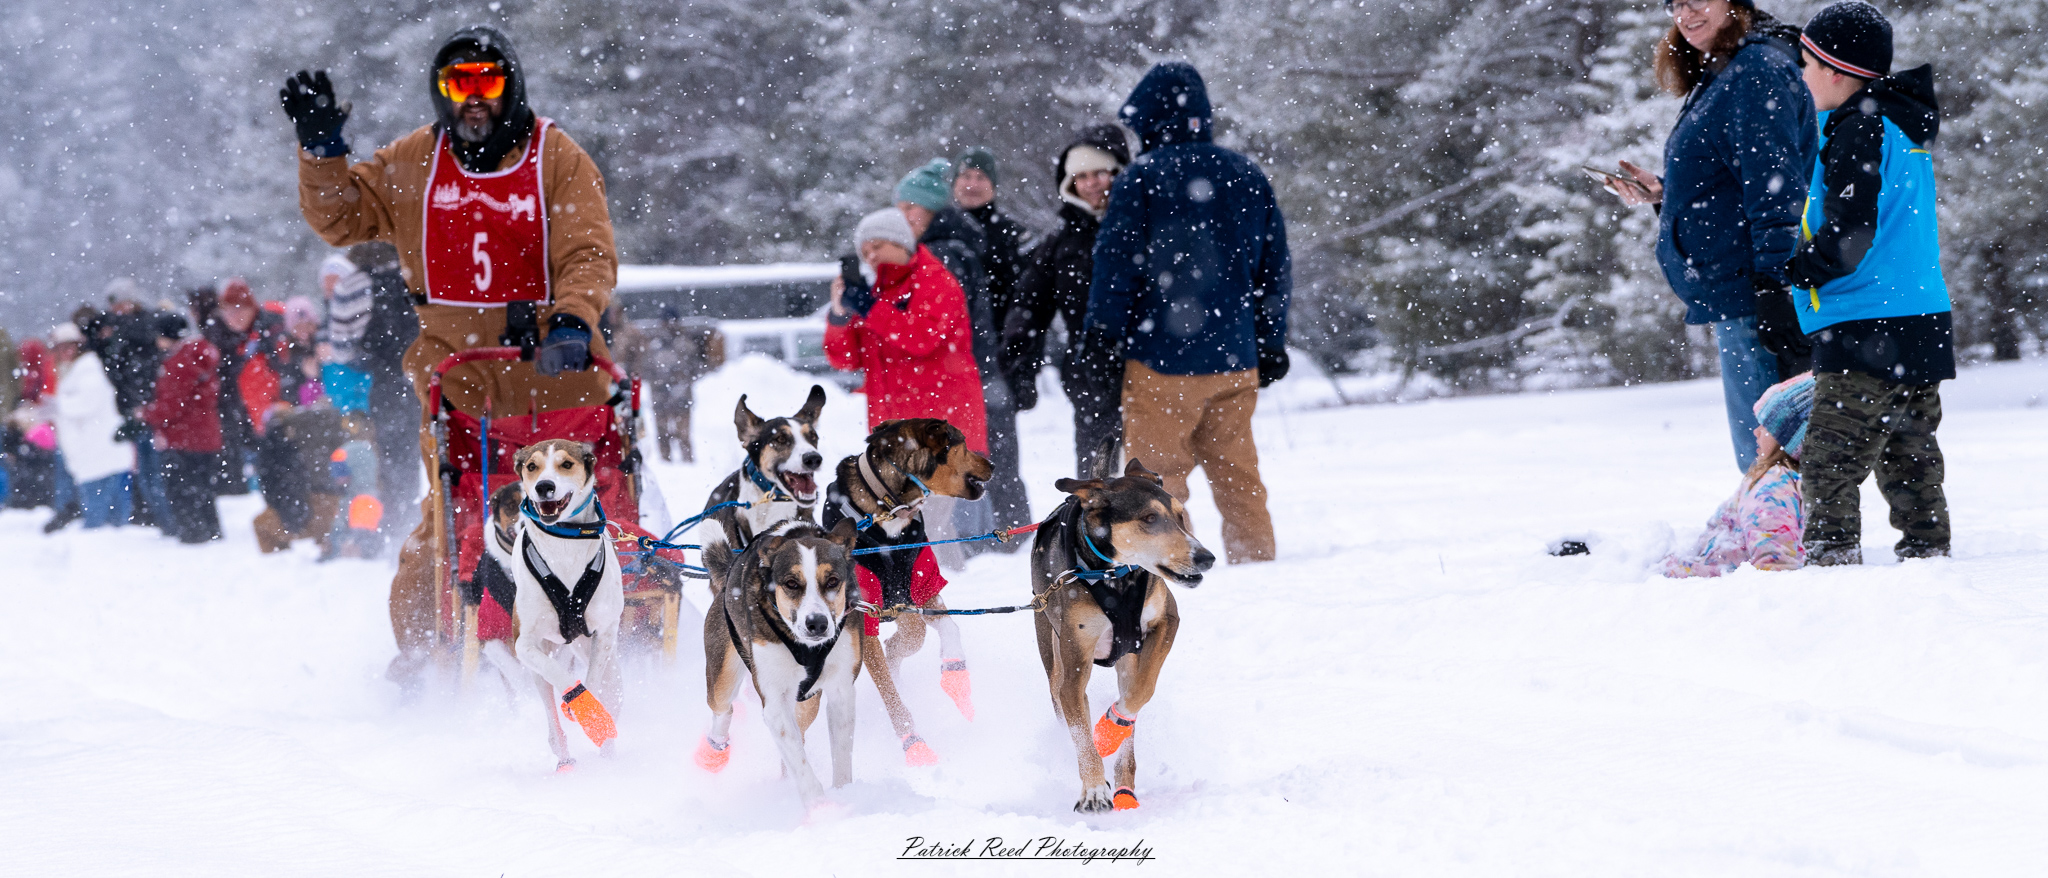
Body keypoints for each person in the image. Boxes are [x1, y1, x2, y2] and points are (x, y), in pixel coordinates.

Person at [283, 25, 619, 689]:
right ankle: (431, 661)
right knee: (445, 528)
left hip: (558, 373)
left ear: (510, 87)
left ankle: (610, 635)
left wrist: (575, 316)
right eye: (458, 85)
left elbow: (587, 247)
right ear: (441, 93)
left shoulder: (556, 156)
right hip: (459, 383)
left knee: (585, 510)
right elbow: (344, 217)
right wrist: (323, 151)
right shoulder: (414, 161)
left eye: (487, 84)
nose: (474, 100)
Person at [1079, 62, 1291, 565]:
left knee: (1158, 480)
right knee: (1239, 474)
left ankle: (1178, 577)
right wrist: (1270, 340)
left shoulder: (1142, 179)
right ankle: (1259, 566)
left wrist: (1102, 336)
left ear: (1151, 119)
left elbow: (1116, 267)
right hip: (1235, 358)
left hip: (1161, 360)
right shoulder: (1246, 174)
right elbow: (1274, 269)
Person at [1602, 0, 1815, 472]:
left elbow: (1776, 185)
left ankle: (1780, 538)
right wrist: (1662, 195)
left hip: (1750, 289)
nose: (1686, 12)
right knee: (1766, 449)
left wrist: (1772, 284)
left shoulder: (1754, 69)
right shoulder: (1726, 71)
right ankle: (1777, 532)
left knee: (1768, 452)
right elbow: (1731, 180)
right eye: (1676, 3)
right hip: (1735, 286)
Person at [1785, 2, 1951, 566]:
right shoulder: (1899, 123)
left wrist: (1799, 267)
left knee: (1831, 453)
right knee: (1909, 447)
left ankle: (1830, 560)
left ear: (1835, 70)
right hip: (1918, 311)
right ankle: (1927, 551)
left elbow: (1850, 232)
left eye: (1802, 65)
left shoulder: (1861, 127)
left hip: (1867, 318)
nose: (1798, 78)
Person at [895, 159, 1030, 555]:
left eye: (909, 208)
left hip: (965, 371)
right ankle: (1005, 541)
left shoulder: (943, 253)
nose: (900, 216)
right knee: (984, 460)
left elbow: (929, 329)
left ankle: (986, 548)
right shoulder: (953, 242)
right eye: (965, 177)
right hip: (979, 367)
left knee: (967, 466)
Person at [1002, 124, 1131, 478]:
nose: (1091, 184)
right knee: (1097, 481)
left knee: (1151, 474)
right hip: (1089, 373)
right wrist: (1018, 365)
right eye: (1081, 176)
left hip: (1144, 369)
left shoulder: (1143, 227)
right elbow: (1029, 307)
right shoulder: (1061, 242)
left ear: (1117, 174)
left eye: (1099, 173)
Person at [825, 208, 988, 453]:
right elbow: (845, 359)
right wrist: (839, 316)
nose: (870, 256)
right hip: (895, 439)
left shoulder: (936, 280)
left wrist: (870, 308)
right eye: (865, 252)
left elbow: (922, 338)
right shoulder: (874, 298)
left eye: (876, 246)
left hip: (944, 435)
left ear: (901, 242)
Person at [1662, 372, 1813, 577]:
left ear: (1789, 436)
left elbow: (1773, 564)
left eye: (1766, 425)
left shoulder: (1772, 485)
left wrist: (1685, 572)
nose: (1756, 432)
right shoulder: (1798, 481)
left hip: (1726, 582)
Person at [346, 242, 423, 541]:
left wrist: (360, 357)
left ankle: (395, 532)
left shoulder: (357, 284)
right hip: (415, 380)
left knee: (391, 463)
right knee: (424, 460)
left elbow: (343, 346)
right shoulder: (413, 274)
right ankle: (418, 527)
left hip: (384, 385)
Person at [140, 312, 223, 544]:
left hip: (184, 437)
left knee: (183, 491)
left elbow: (171, 405)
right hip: (206, 434)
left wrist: (146, 414)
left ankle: (193, 534)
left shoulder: (179, 362)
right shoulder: (200, 354)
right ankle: (211, 531)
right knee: (203, 490)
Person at [55, 319, 135, 530]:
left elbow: (87, 402)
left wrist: (57, 405)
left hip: (99, 450)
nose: (65, 351)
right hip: (93, 453)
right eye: (61, 347)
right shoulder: (71, 369)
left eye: (69, 346)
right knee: (105, 517)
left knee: (101, 520)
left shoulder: (88, 368)